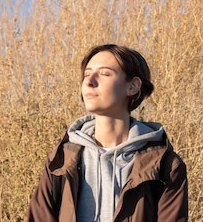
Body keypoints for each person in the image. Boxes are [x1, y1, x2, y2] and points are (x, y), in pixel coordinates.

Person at [27, 44, 188, 222]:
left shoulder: (165, 165)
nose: (89, 82)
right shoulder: (62, 159)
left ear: (133, 86)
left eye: (104, 73)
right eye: (87, 74)